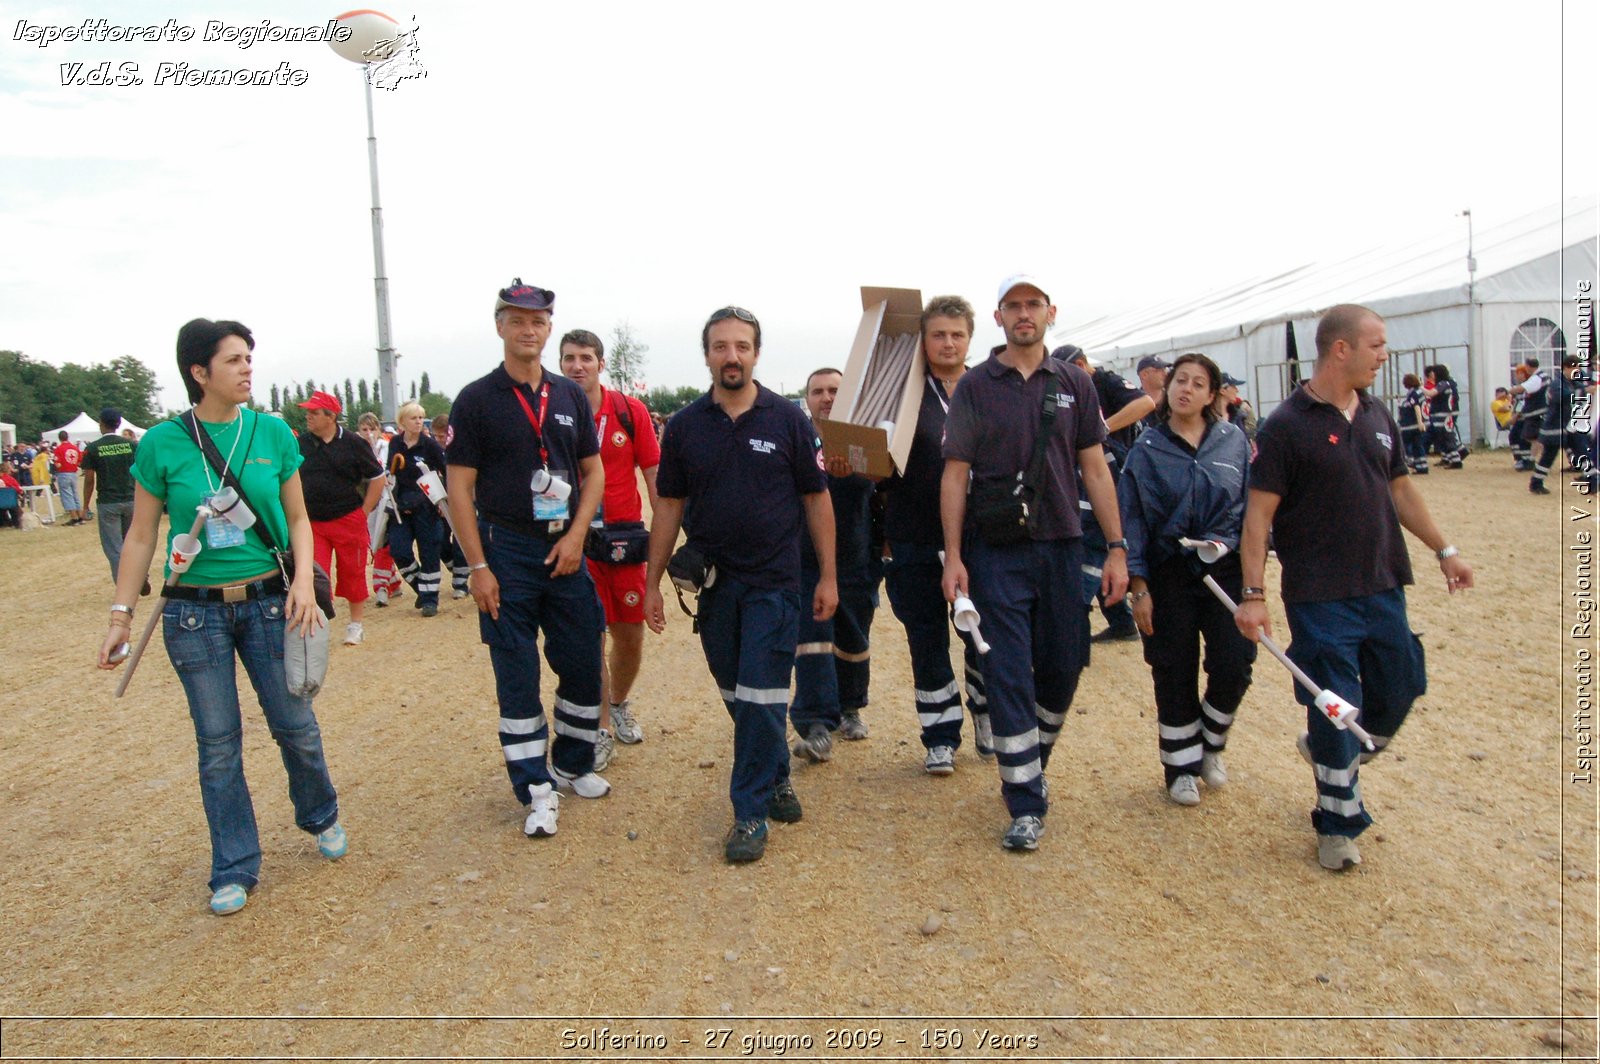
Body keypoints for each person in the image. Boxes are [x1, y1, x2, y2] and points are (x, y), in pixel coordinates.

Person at [96, 317, 345, 916]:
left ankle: (319, 813)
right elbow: (138, 537)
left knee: (295, 724)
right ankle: (233, 866)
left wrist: (307, 589)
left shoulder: (271, 433)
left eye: (248, 358)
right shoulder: (160, 443)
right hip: (192, 617)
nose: (247, 369)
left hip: (268, 602)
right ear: (199, 372)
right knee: (217, 745)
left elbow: (301, 520)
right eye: (233, 360)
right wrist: (121, 616)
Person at [1235, 303, 1474, 872]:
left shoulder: (1375, 414)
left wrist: (1445, 550)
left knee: (1404, 681)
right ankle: (1338, 823)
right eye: (1377, 345)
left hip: (1384, 582)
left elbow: (1402, 491)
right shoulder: (1285, 426)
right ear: (1341, 349)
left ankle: (1332, 751)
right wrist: (1253, 595)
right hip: (1321, 598)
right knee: (1337, 706)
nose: (1383, 355)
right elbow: (1257, 519)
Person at [940, 275, 1128, 852]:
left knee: (1065, 665)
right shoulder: (975, 385)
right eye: (1014, 306)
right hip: (995, 550)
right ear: (998, 317)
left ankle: (1028, 758)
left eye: (1034, 305)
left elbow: (1095, 468)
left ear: (1050, 313)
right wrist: (954, 556)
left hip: (1063, 544)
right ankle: (1025, 800)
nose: (1025, 314)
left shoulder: (1075, 382)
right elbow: (954, 474)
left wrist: (1117, 548)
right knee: (1010, 670)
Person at [644, 305, 837, 863]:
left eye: (742, 346)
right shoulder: (683, 427)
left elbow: (816, 499)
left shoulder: (788, 422)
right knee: (740, 694)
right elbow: (669, 505)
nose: (732, 356)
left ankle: (749, 812)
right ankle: (776, 774)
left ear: (756, 353)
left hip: (776, 586)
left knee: (759, 694)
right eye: (721, 346)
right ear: (707, 354)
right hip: (715, 588)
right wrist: (652, 582)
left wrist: (826, 575)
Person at [446, 279, 609, 839]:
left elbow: (594, 472)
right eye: (516, 320)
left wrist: (577, 534)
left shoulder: (567, 395)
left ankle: (572, 762)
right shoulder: (476, 399)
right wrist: (479, 567)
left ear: (548, 328)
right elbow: (459, 488)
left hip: (565, 547)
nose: (528, 330)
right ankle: (535, 787)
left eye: (537, 322)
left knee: (584, 660)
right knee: (516, 672)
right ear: (499, 326)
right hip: (507, 548)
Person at [1118, 353, 1256, 805]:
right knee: (1173, 667)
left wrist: (1251, 569)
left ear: (1213, 394)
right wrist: (1139, 587)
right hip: (1168, 571)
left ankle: (1211, 742)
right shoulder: (1147, 450)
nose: (1187, 389)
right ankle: (1179, 765)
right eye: (1181, 380)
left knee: (1235, 662)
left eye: (1199, 383)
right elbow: (1132, 519)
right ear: (1168, 387)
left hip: (1225, 569)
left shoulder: (1234, 441)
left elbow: (1252, 508)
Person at [881, 296, 991, 773]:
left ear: (970, 339)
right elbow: (879, 466)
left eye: (957, 334)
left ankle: (988, 716)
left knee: (985, 636)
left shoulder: (989, 389)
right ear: (922, 341)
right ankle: (940, 735)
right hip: (914, 534)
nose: (948, 343)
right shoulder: (901, 394)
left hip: (983, 537)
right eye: (938, 335)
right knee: (926, 639)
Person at [559, 328, 661, 768]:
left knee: (630, 634)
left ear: (601, 363)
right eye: (568, 359)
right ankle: (599, 724)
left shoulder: (628, 410)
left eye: (585, 357)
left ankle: (617, 703)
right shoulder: (553, 409)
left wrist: (667, 539)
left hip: (624, 539)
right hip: (574, 539)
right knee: (588, 636)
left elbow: (655, 475)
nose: (577, 366)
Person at [789, 366, 877, 763]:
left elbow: (880, 485)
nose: (826, 397)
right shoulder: (796, 438)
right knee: (811, 638)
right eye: (818, 391)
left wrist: (854, 468)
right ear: (806, 399)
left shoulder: (862, 438)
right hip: (805, 558)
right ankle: (816, 724)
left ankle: (851, 706)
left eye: (834, 391)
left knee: (853, 639)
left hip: (856, 556)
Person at [1059, 344, 1151, 643]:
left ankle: (1073, 626)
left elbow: (1146, 403)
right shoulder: (1071, 388)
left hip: (1111, 475)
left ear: (1083, 364)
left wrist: (1098, 430)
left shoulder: (1106, 381)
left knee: (1092, 549)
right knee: (1097, 554)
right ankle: (1121, 623)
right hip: (1087, 477)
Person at [296, 391, 385, 645]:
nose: (308, 416)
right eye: (308, 411)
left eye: (314, 412)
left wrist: (364, 511)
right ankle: (317, 624)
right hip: (312, 523)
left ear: (331, 416)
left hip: (348, 518)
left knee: (352, 572)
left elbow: (377, 478)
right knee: (313, 574)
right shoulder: (299, 444)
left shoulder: (354, 444)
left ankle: (356, 625)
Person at [385, 401, 451, 615]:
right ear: (402, 421)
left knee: (429, 551)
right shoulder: (395, 443)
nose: (419, 422)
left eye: (421, 418)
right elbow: (390, 470)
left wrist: (445, 501)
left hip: (426, 506)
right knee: (399, 549)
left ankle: (430, 599)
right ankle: (421, 588)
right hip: (400, 506)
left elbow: (446, 472)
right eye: (414, 418)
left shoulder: (430, 445)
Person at [80, 408, 146, 588]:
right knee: (134, 542)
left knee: (114, 548)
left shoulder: (93, 448)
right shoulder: (131, 445)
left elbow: (89, 479)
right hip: (131, 499)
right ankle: (141, 576)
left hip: (108, 502)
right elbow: (142, 472)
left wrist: (85, 505)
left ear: (101, 423)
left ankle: (125, 585)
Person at [358, 411, 404, 608]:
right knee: (374, 543)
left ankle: (381, 587)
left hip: (387, 499)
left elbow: (386, 472)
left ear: (378, 429)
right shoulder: (356, 448)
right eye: (364, 429)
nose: (368, 433)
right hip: (367, 501)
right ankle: (393, 582)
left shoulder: (386, 447)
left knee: (383, 542)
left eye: (372, 428)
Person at [1530, 355, 1595, 495]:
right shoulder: (1557, 384)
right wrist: (1584, 391)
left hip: (1570, 426)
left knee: (1582, 452)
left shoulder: (1572, 383)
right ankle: (1536, 483)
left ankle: (1594, 482)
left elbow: (1580, 393)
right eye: (1575, 368)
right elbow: (1563, 397)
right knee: (1548, 457)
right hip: (1555, 428)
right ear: (1566, 367)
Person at [432, 411, 470, 600]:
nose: (439, 440)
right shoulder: (432, 450)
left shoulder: (461, 449)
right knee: (439, 540)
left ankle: (460, 582)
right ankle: (454, 567)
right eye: (436, 436)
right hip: (440, 502)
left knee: (460, 541)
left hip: (463, 501)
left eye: (442, 435)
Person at [1421, 363, 1467, 468]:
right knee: (1443, 437)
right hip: (1441, 415)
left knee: (1446, 437)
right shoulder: (1444, 383)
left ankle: (1456, 460)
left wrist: (1419, 386)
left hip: (1443, 415)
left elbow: (1430, 393)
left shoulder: (1443, 384)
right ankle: (1456, 455)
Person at [1507, 357, 1547, 471]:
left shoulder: (1536, 379)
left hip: (1535, 413)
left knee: (1529, 437)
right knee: (1530, 437)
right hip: (1535, 412)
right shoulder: (1543, 376)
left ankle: (1529, 460)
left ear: (1528, 367)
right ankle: (1528, 459)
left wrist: (1509, 391)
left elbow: (1522, 390)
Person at [1396, 373, 1430, 474]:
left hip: (1411, 425)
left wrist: (1419, 422)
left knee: (1404, 445)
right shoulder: (1420, 392)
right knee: (1418, 445)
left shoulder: (1413, 394)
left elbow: (1416, 407)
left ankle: (1408, 463)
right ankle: (1422, 466)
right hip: (1420, 423)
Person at [53, 429, 85, 525]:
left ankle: (74, 517)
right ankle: (80, 516)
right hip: (73, 472)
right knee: (75, 495)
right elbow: (79, 461)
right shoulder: (74, 448)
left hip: (63, 473)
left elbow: (57, 464)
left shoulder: (59, 449)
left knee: (67, 495)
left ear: (59, 438)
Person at [1220, 373, 1257, 442]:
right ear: (1223, 391)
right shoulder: (1209, 419)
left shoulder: (1238, 415)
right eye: (1233, 386)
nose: (1237, 390)